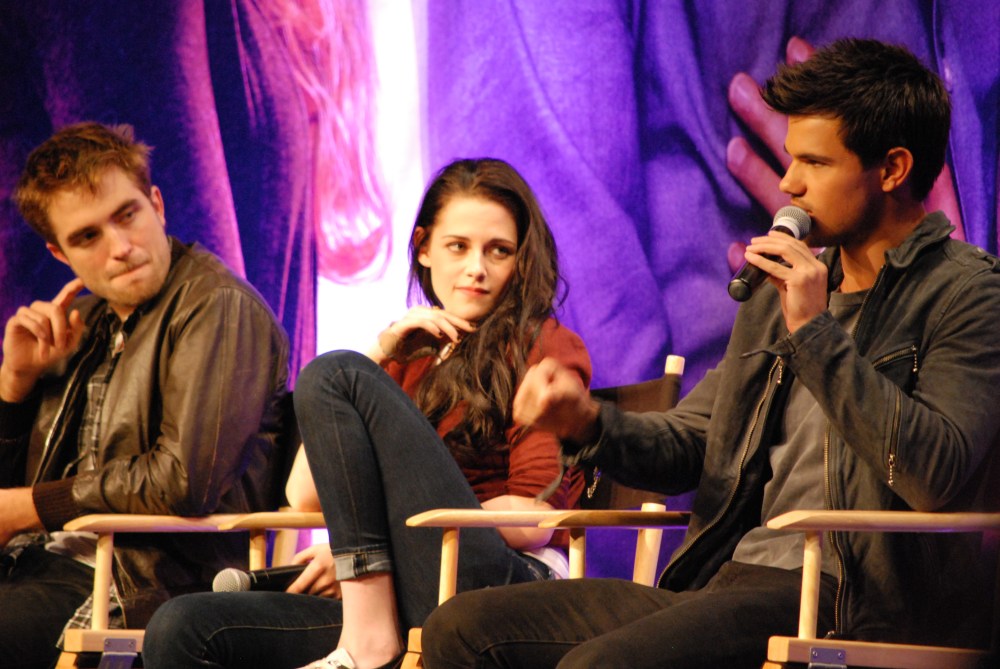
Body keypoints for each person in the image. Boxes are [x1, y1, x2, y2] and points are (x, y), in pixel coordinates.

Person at [420, 38, 1000, 669]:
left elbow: (933, 471)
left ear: (892, 170)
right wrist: (586, 423)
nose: (790, 183)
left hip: (851, 598)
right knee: (460, 629)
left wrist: (814, 333)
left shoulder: (967, 295)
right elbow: (692, 443)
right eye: (791, 158)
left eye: (815, 162)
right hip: (728, 576)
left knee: (601, 666)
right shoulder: (778, 296)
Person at [141, 158, 591, 669]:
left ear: (521, 260)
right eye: (457, 246)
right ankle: (367, 629)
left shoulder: (543, 345)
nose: (477, 268)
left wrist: (388, 550)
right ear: (424, 247)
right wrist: (381, 353)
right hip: (405, 595)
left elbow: (533, 519)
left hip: (505, 588)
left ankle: (368, 642)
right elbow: (303, 495)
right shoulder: (410, 356)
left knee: (333, 373)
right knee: (180, 628)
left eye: (499, 251)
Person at [0, 121, 291, 669]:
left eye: (127, 215)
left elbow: (185, 480)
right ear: (60, 254)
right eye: (88, 237)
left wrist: (30, 508)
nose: (121, 248)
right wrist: (14, 387)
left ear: (156, 204)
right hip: (38, 567)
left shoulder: (217, 306)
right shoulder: (81, 322)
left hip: (139, 585)